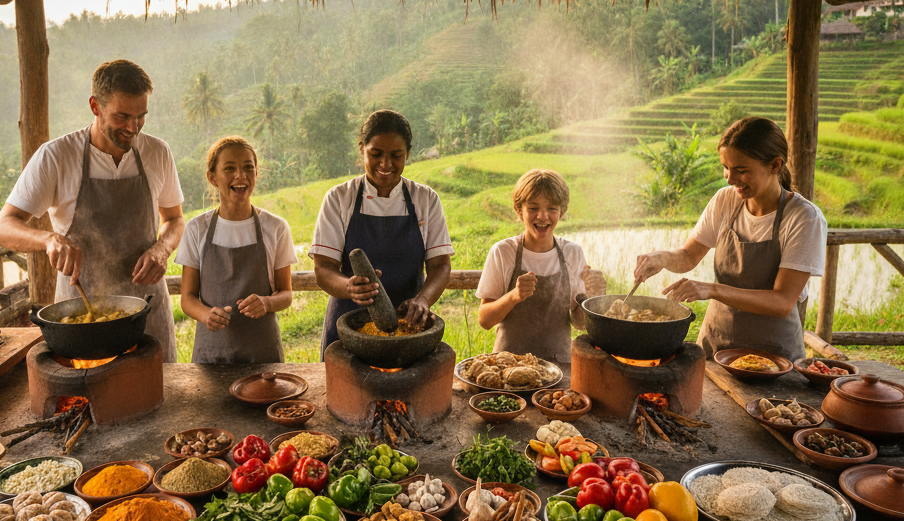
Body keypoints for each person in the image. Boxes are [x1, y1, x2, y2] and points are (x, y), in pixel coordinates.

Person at [0, 59, 185, 361]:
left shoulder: (158, 152)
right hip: (82, 322)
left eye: (141, 116)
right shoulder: (56, 157)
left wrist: (163, 248)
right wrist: (48, 239)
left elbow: (174, 218)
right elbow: (2, 227)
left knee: (159, 387)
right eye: (122, 116)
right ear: (95, 106)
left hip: (147, 312)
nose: (133, 128)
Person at [633, 117, 827, 361]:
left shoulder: (804, 218)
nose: (729, 178)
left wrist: (712, 289)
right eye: (725, 167)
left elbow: (782, 302)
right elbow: (689, 256)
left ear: (775, 165)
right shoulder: (725, 200)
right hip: (716, 347)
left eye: (741, 170)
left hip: (773, 358)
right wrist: (661, 258)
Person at [311, 109, 453, 355]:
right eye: (375, 154)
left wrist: (423, 300)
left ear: (408, 153)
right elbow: (323, 269)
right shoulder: (339, 198)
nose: (386, 164)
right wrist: (349, 287)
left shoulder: (425, 199)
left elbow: (440, 265)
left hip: (408, 330)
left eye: (396, 155)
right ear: (361, 149)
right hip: (348, 330)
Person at [176, 136, 295, 364]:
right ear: (212, 177)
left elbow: (286, 294)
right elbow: (187, 298)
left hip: (262, 355)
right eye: (229, 168)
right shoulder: (196, 229)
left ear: (256, 173)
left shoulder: (276, 227)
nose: (240, 175)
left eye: (248, 167)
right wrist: (206, 315)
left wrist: (267, 302)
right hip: (210, 356)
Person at [476, 169, 606, 364]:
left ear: (562, 211)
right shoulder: (503, 252)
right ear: (518, 210)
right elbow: (485, 320)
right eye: (533, 208)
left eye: (552, 208)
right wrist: (514, 296)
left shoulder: (572, 253)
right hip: (508, 365)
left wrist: (593, 297)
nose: (543, 216)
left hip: (560, 366)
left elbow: (580, 324)